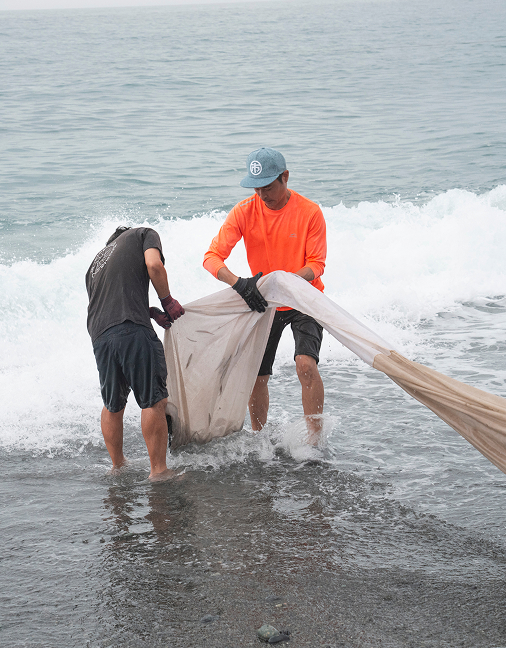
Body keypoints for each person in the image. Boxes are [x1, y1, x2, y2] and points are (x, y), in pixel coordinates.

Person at [203, 147, 328, 442]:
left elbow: (316, 265)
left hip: (304, 298)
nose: (262, 195)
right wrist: (239, 284)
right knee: (257, 376)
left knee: (305, 365)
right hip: (264, 302)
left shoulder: (310, 212)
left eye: (268, 187)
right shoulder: (244, 212)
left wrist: (286, 281)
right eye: (256, 188)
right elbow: (211, 257)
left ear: (285, 177)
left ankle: (315, 440)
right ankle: (260, 440)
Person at [86, 225, 185, 480]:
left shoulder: (95, 265)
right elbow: (154, 265)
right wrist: (167, 301)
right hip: (131, 329)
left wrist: (148, 312)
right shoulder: (142, 234)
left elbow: (111, 302)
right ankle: (159, 471)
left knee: (112, 403)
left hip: (100, 336)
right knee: (153, 399)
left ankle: (118, 466)